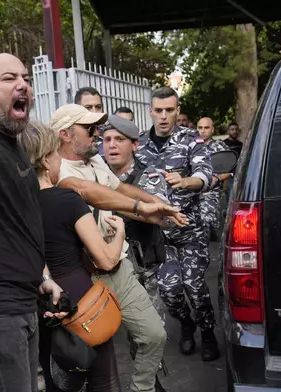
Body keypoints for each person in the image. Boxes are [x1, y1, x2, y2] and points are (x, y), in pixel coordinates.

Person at [0, 2, 184, 390]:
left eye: (25, 77)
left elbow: (22, 224)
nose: (22, 84)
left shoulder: (15, 146)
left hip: (25, 298)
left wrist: (41, 278)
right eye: (7, 78)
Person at [51, 103, 169, 392]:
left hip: (120, 267)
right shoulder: (56, 169)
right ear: (65, 134)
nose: (98, 134)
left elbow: (118, 191)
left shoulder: (95, 160)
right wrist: (141, 207)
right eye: (90, 129)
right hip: (87, 276)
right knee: (92, 361)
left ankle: (142, 388)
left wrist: (154, 207)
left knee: (154, 335)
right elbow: (92, 194)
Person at [18, 121, 123, 392]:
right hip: (80, 299)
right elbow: (106, 260)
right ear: (45, 160)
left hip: (38, 302)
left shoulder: (15, 206)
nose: (59, 162)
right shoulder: (68, 200)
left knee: (57, 379)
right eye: (56, 155)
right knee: (103, 377)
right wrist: (119, 233)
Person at [137, 87, 220, 362]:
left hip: (190, 231)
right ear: (150, 110)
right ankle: (186, 323)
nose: (163, 116)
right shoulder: (140, 146)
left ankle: (207, 332)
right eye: (158, 110)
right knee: (170, 291)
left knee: (195, 287)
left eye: (169, 110)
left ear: (176, 109)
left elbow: (206, 175)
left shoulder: (190, 141)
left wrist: (186, 181)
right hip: (160, 235)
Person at [103, 114, 170, 391]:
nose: (111, 145)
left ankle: (151, 383)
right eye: (106, 140)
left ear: (135, 145)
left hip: (142, 271)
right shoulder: (94, 173)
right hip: (106, 267)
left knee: (149, 335)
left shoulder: (150, 175)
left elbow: (159, 213)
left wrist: (100, 200)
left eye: (119, 140)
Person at [197, 117, 232, 241]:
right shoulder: (191, 146)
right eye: (200, 128)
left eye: (206, 128)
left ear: (212, 130)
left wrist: (217, 178)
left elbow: (230, 170)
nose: (203, 131)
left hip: (210, 192)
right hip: (193, 192)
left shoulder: (220, 147)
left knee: (206, 220)